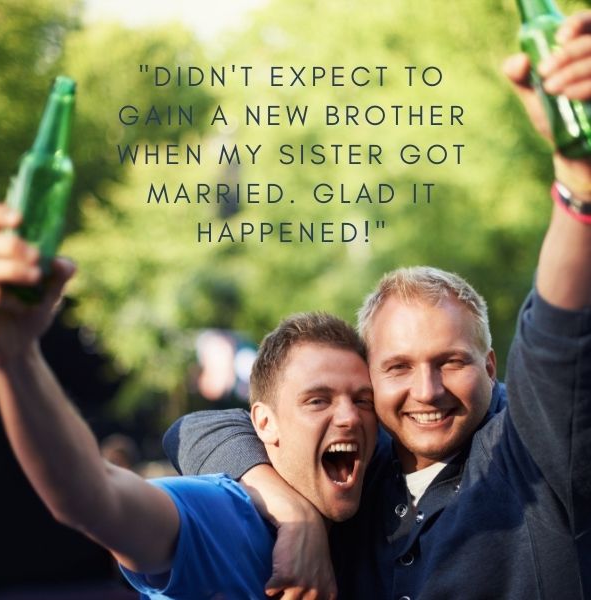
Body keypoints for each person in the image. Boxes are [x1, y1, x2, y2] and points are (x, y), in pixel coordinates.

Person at [164, 12, 591, 599]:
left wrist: (578, 182)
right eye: (397, 367)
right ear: (370, 376)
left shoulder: (534, 451)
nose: (427, 390)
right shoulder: (362, 476)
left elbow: (559, 334)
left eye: (451, 362)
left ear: (491, 367)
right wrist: (293, 510)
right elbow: (197, 428)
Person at [0, 225, 378, 600]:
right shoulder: (222, 516)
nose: (349, 417)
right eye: (318, 400)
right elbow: (95, 497)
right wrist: (15, 356)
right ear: (263, 422)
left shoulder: (376, 510)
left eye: (363, 400)